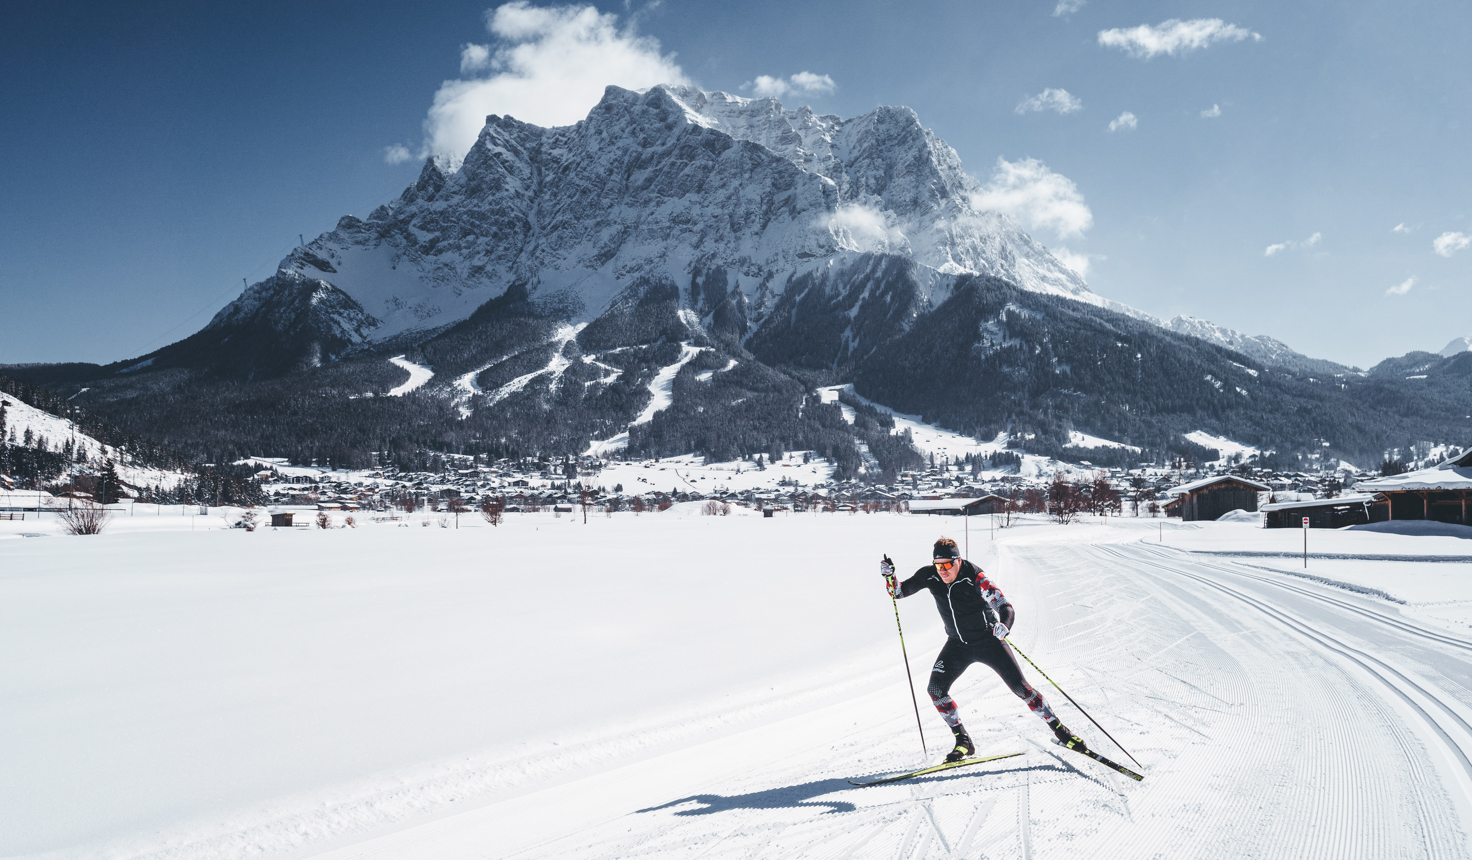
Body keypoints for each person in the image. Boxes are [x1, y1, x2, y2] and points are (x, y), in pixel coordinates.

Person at [882, 537, 1085, 762]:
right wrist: (890, 577)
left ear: (958, 560)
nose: (942, 570)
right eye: (938, 565)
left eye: (947, 564)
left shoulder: (975, 577)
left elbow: (1004, 606)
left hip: (989, 641)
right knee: (936, 690)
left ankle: (1061, 731)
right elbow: (898, 593)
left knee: (1021, 688)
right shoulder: (929, 575)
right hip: (957, 644)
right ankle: (963, 741)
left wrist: (1004, 625)